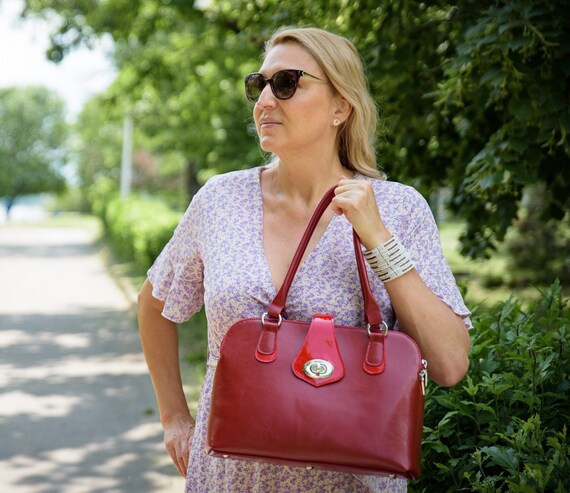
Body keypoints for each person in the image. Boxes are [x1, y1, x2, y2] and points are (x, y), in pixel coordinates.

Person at [138, 26, 471, 493]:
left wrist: (376, 238)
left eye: (287, 83)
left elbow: (450, 364)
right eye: (259, 84)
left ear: (341, 106)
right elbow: (155, 304)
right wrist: (174, 418)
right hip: (231, 478)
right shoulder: (220, 200)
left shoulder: (398, 208)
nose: (265, 101)